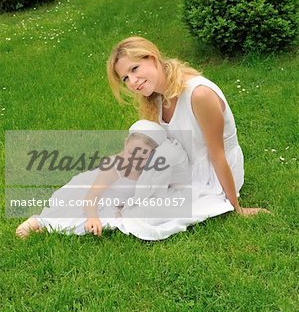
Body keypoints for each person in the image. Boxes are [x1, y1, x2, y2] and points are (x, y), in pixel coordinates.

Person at [107, 36, 269, 220]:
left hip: (212, 174)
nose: (133, 81)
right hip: (184, 163)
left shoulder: (199, 94)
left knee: (149, 215)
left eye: (135, 69)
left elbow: (217, 154)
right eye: (126, 78)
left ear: (152, 58)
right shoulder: (154, 96)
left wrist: (236, 207)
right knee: (116, 188)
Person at [15, 120, 168, 238]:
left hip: (109, 202)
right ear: (126, 143)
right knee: (80, 221)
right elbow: (92, 195)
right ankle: (39, 221)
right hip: (90, 198)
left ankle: (48, 229)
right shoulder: (114, 167)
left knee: (113, 223)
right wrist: (93, 218)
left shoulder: (146, 173)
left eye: (142, 157)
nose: (135, 159)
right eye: (132, 152)